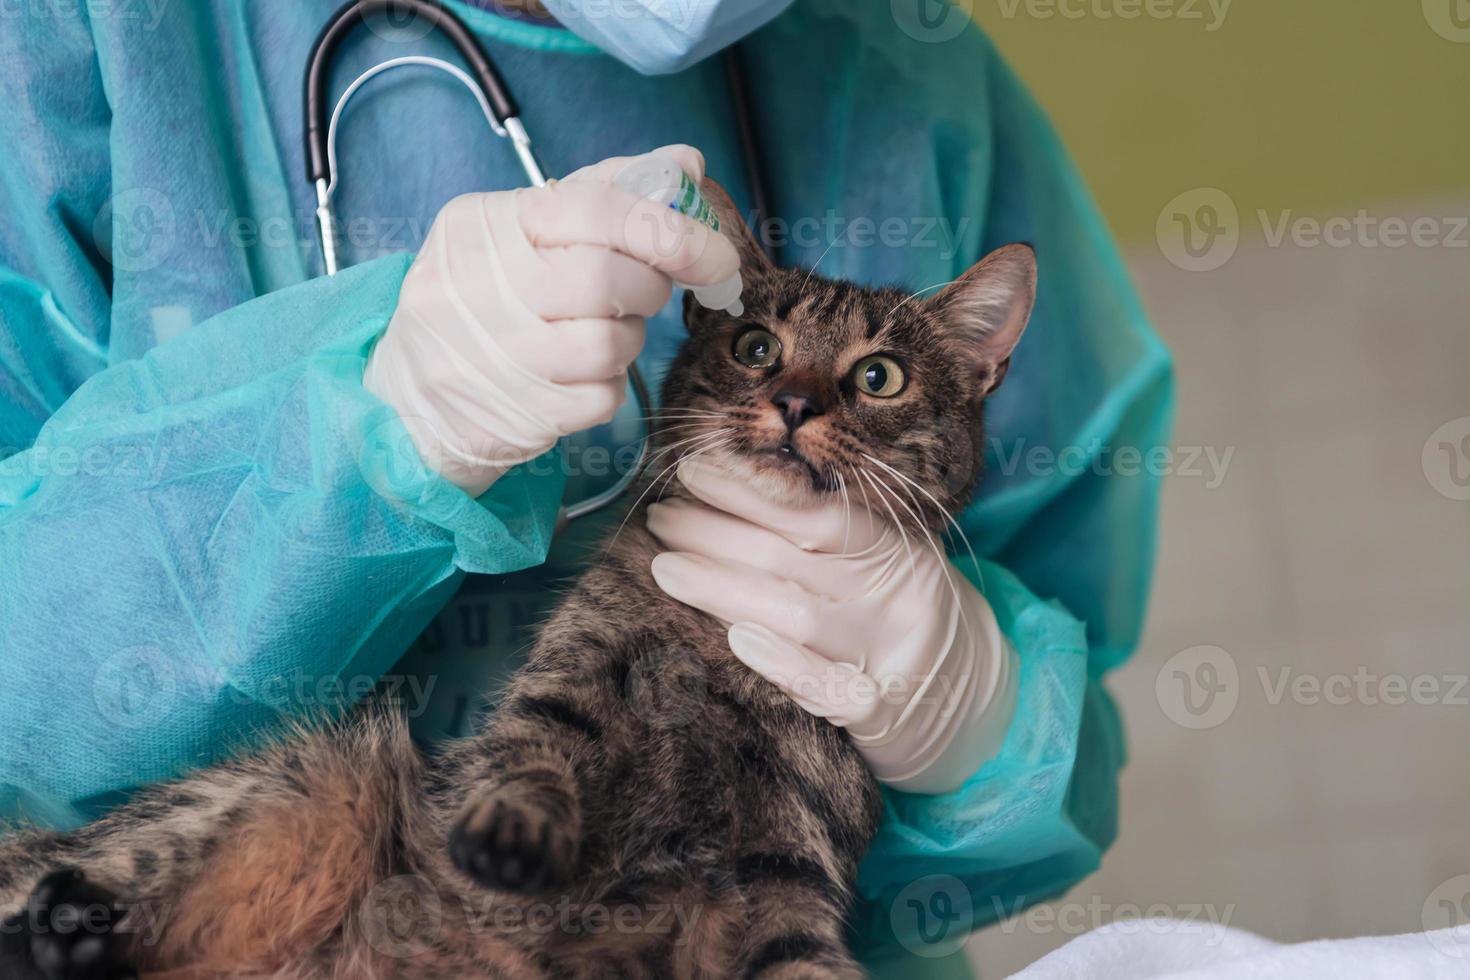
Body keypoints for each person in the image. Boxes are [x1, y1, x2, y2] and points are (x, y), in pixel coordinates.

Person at [0, 0, 1172, 975]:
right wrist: (371, 428)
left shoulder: (909, 67)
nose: (804, 397)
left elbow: (1064, 751)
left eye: (861, 377)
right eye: (763, 353)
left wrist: (981, 716)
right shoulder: (101, 37)